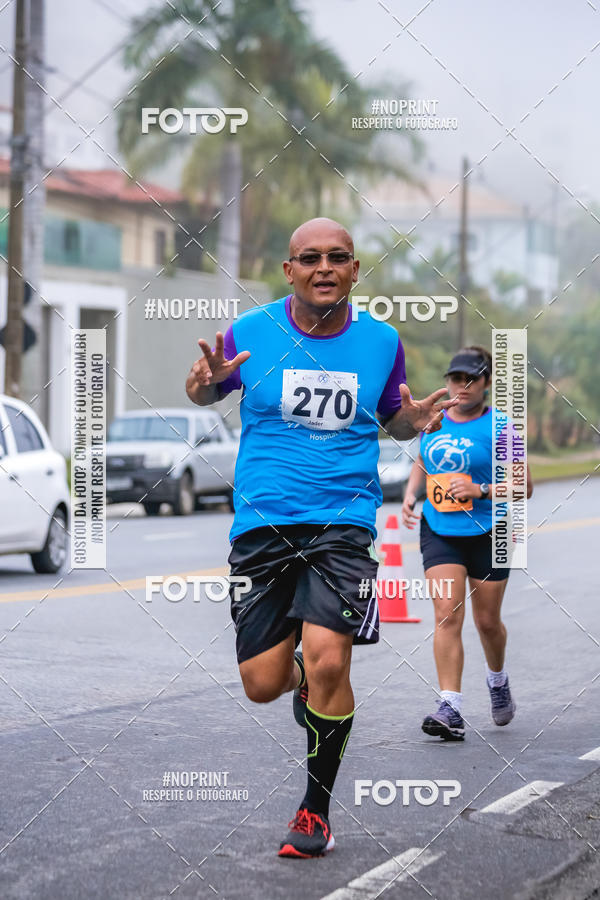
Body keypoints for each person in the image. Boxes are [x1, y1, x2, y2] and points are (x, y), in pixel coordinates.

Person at [185, 217, 458, 858]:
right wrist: (200, 386)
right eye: (310, 257)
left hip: (343, 525)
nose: (324, 267)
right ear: (290, 270)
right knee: (261, 682)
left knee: (333, 659)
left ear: (356, 270)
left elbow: (393, 420)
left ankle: (315, 810)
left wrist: (411, 421)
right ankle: (303, 667)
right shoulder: (250, 332)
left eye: (339, 257)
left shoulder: (381, 342)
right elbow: (204, 390)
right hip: (263, 525)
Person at [401, 346, 533, 741]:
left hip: (491, 533)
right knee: (446, 614)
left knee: (487, 622)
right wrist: (411, 495)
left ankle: (497, 680)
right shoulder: (434, 422)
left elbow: (524, 487)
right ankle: (451, 707)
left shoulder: (503, 427)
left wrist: (481, 489)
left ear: (487, 383)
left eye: (471, 379)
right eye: (455, 378)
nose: (461, 385)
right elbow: (422, 461)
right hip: (439, 530)